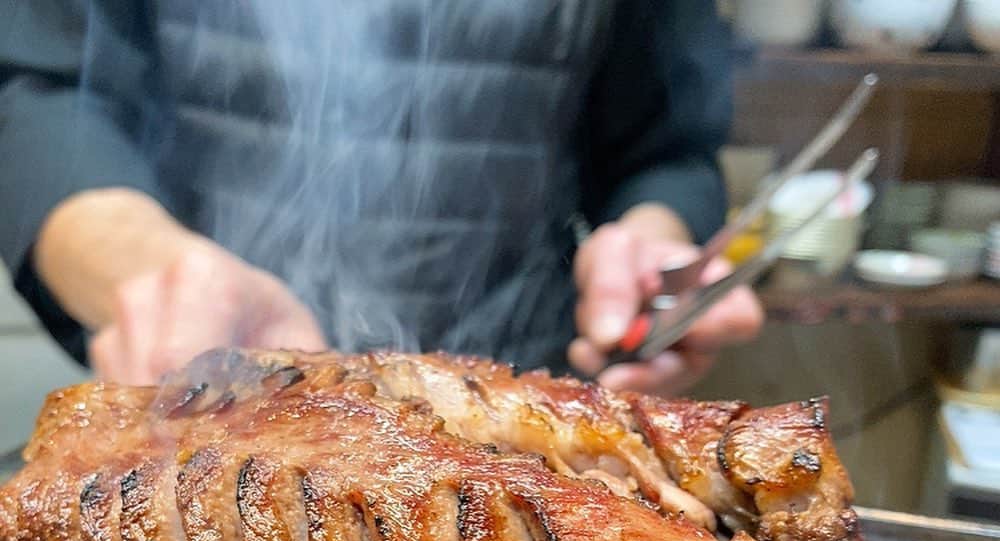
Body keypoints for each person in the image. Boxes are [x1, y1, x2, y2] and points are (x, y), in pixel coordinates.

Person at [0, 1, 762, 395]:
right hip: (222, 393)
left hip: (527, 395)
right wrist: (148, 268)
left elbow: (666, 148)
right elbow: (37, 87)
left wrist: (648, 243)